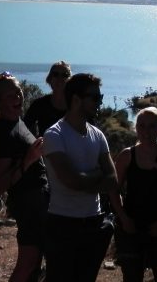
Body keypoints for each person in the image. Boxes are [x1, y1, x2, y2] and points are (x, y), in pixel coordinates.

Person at [41, 73, 117, 282]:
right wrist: (97, 174)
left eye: (100, 97)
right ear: (75, 99)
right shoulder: (54, 135)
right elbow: (70, 180)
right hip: (62, 224)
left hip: (94, 221)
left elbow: (112, 180)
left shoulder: (98, 135)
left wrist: (84, 179)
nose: (99, 102)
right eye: (94, 97)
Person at [0, 72, 48, 282]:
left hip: (39, 199)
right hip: (27, 202)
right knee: (28, 262)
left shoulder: (18, 122)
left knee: (37, 261)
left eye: (19, 92)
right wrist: (29, 159)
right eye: (11, 96)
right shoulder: (3, 132)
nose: (18, 98)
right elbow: (1, 184)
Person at [109, 107, 157, 282]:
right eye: (141, 126)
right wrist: (124, 219)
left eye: (151, 126)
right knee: (132, 277)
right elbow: (113, 190)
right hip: (132, 227)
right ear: (136, 128)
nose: (146, 131)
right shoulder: (127, 156)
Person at [24, 60, 71, 136]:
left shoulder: (75, 106)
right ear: (49, 79)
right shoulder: (39, 104)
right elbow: (24, 128)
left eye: (65, 75)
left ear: (70, 81)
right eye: (55, 74)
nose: (60, 78)